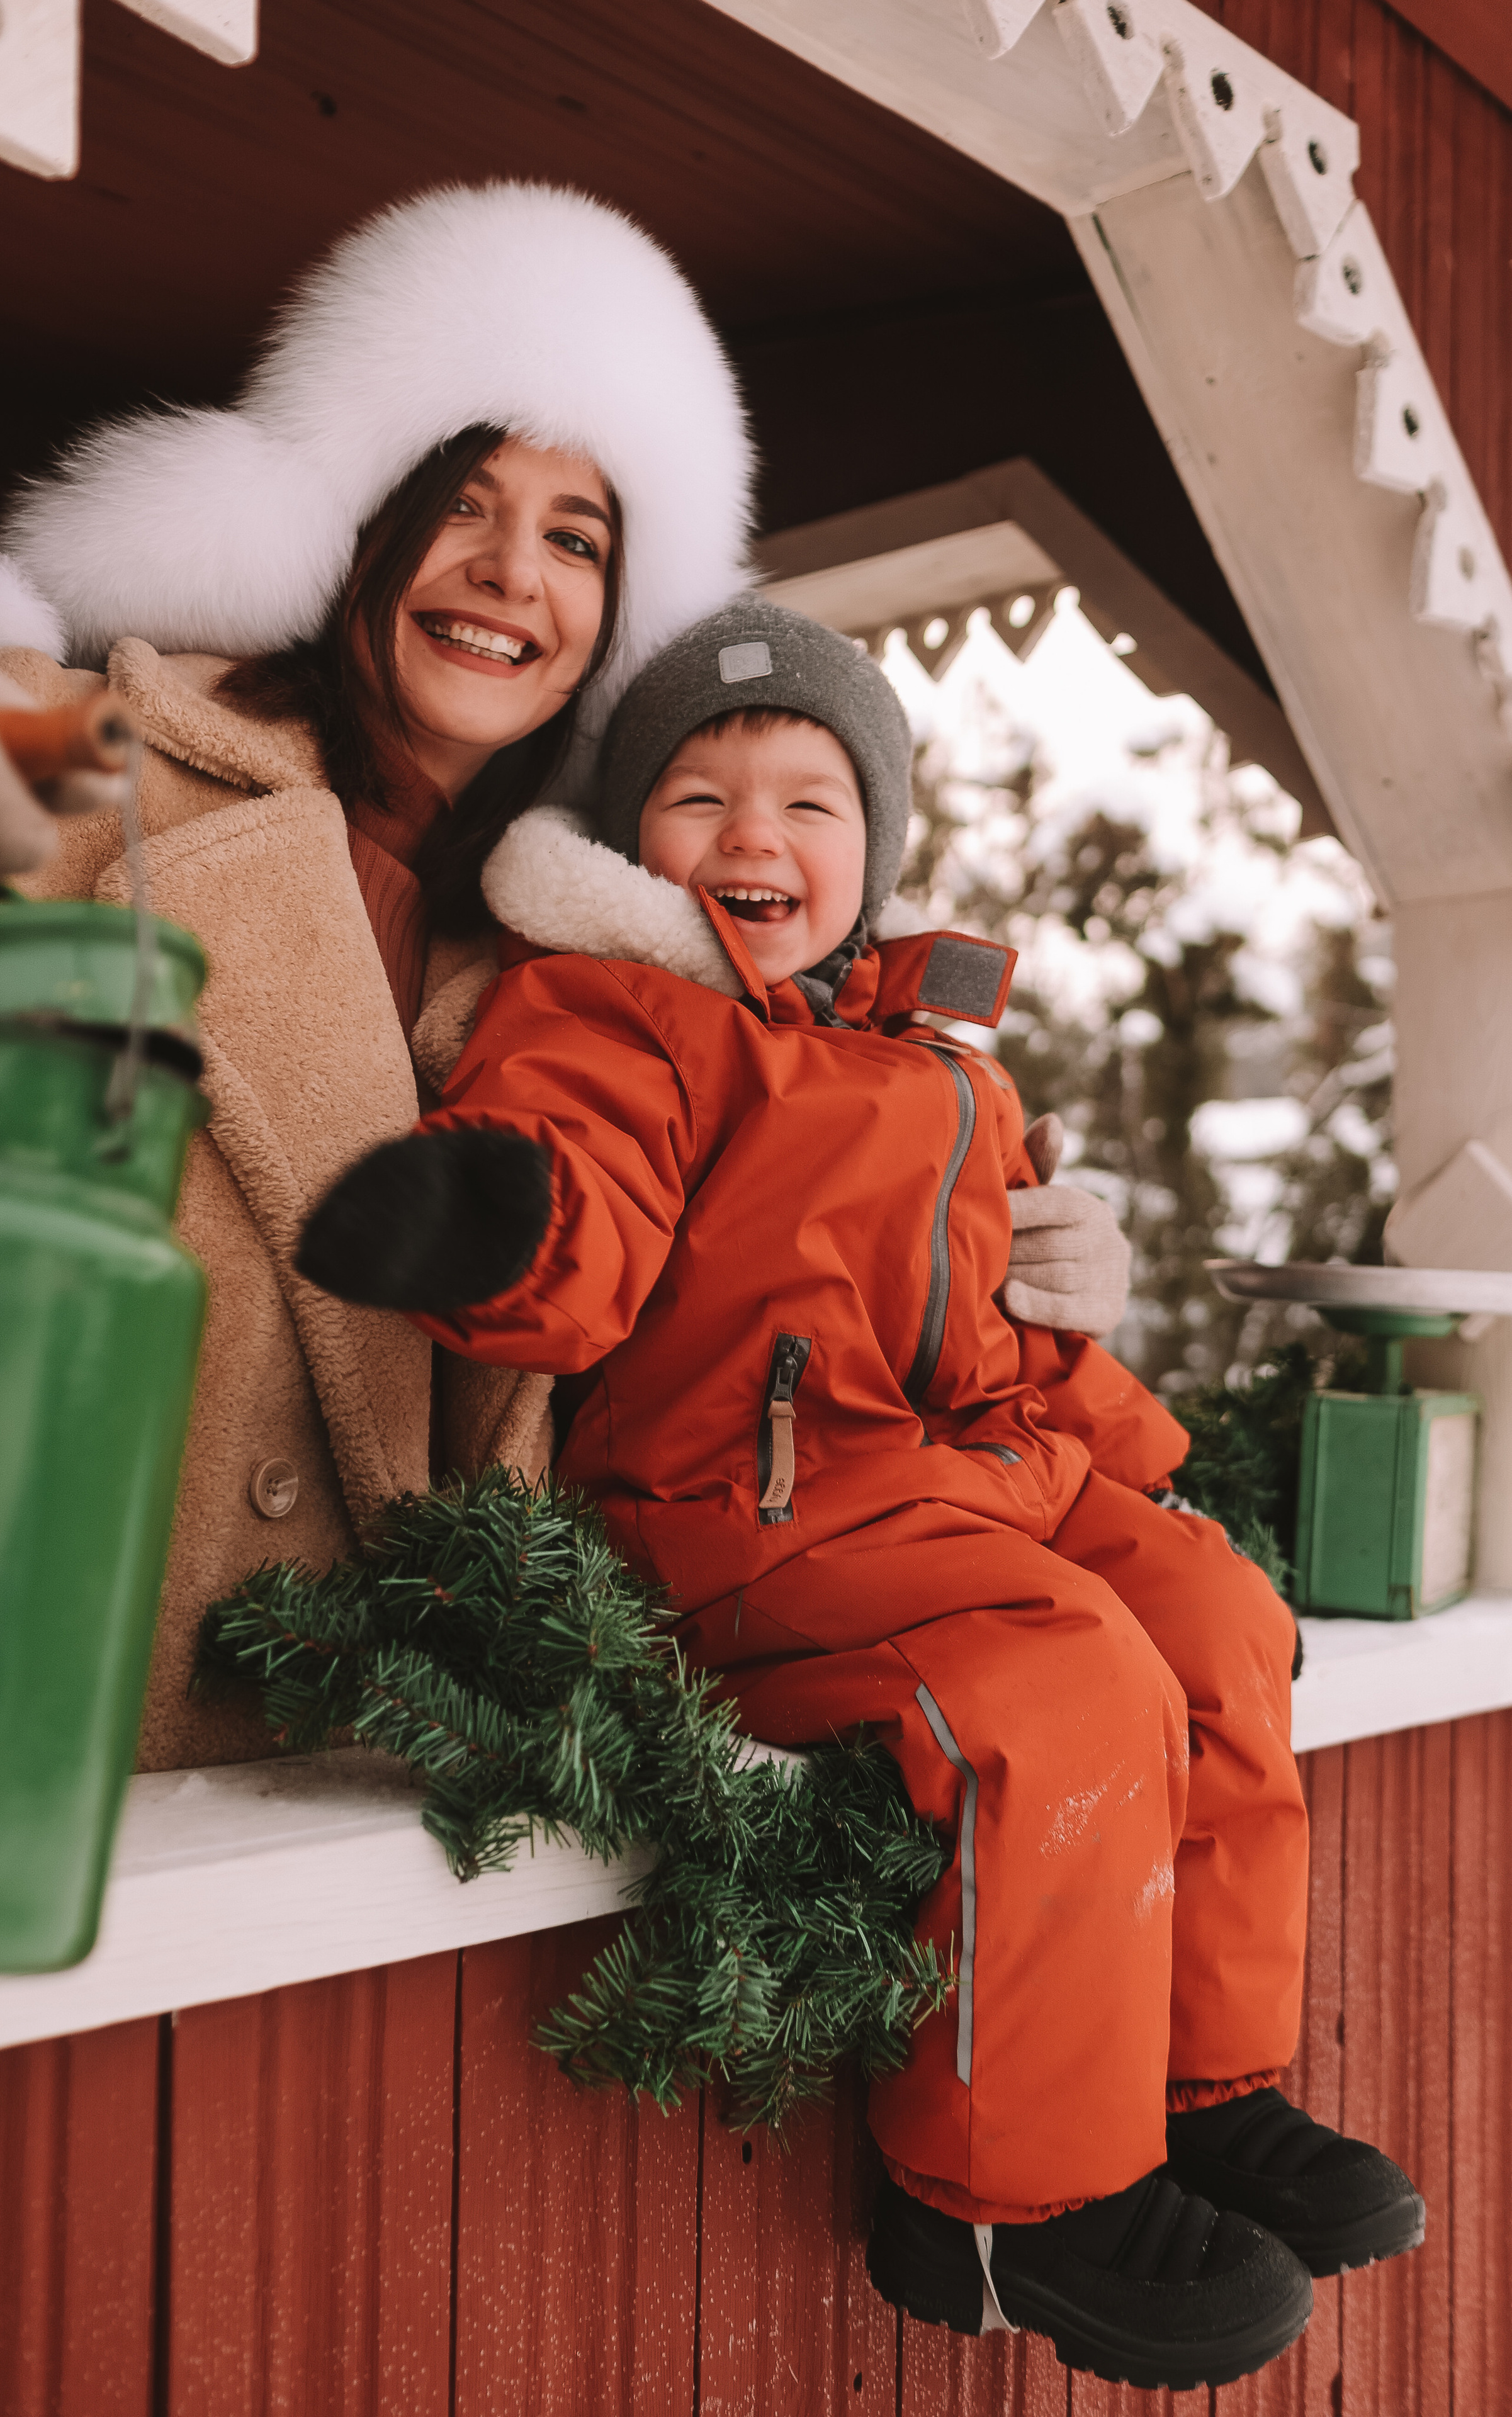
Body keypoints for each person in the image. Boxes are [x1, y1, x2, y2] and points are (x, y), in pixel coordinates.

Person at [296, 599, 1425, 2392]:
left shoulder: (941, 1066)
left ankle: (1199, 2087)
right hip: (746, 1514)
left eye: (812, 802)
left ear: (875, 850)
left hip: (960, 1488)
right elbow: (577, 1194)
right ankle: (1004, 2206)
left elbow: (1010, 1330)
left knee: (1215, 1619)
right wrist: (492, 1220)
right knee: (1063, 1690)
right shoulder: (626, 1013)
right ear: (632, 847)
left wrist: (1132, 1439)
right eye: (703, 798)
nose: (757, 835)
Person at [0, 184, 1132, 1774]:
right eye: (462, 505)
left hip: (363, 1782)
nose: (509, 574)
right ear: (351, 520)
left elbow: (772, 1317)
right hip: (11, 1715)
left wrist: (1039, 1268)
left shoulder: (595, 970)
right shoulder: (70, 756)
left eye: (575, 538)